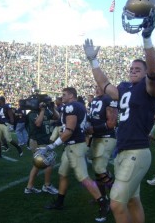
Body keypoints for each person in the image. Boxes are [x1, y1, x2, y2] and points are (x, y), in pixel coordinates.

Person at [83, 5, 155, 223]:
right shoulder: (125, 88)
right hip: (123, 151)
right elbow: (104, 84)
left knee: (116, 202)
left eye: (139, 68)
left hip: (137, 151)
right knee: (131, 201)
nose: (133, 69)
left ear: (146, 72)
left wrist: (146, 38)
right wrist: (93, 61)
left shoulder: (150, 88)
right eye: (131, 68)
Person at [44, 87, 109, 222]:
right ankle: (60, 202)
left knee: (83, 178)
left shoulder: (71, 106)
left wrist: (52, 145)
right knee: (63, 173)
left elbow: (68, 130)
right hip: (72, 145)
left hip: (75, 146)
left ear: (72, 95)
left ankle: (103, 203)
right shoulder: (79, 106)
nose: (62, 97)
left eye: (64, 94)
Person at [87, 84, 118, 198]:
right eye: (95, 87)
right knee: (97, 170)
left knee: (99, 169)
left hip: (106, 137)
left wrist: (94, 129)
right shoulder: (95, 100)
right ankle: (103, 197)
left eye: (100, 87)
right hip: (96, 137)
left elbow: (111, 123)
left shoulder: (109, 99)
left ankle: (116, 195)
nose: (97, 89)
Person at [24, 98, 59, 194]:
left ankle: (29, 187)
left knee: (37, 165)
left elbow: (57, 117)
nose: (45, 103)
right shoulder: (32, 113)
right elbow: (38, 123)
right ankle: (47, 185)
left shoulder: (46, 111)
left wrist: (52, 108)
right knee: (48, 162)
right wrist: (42, 110)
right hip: (37, 141)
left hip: (44, 140)